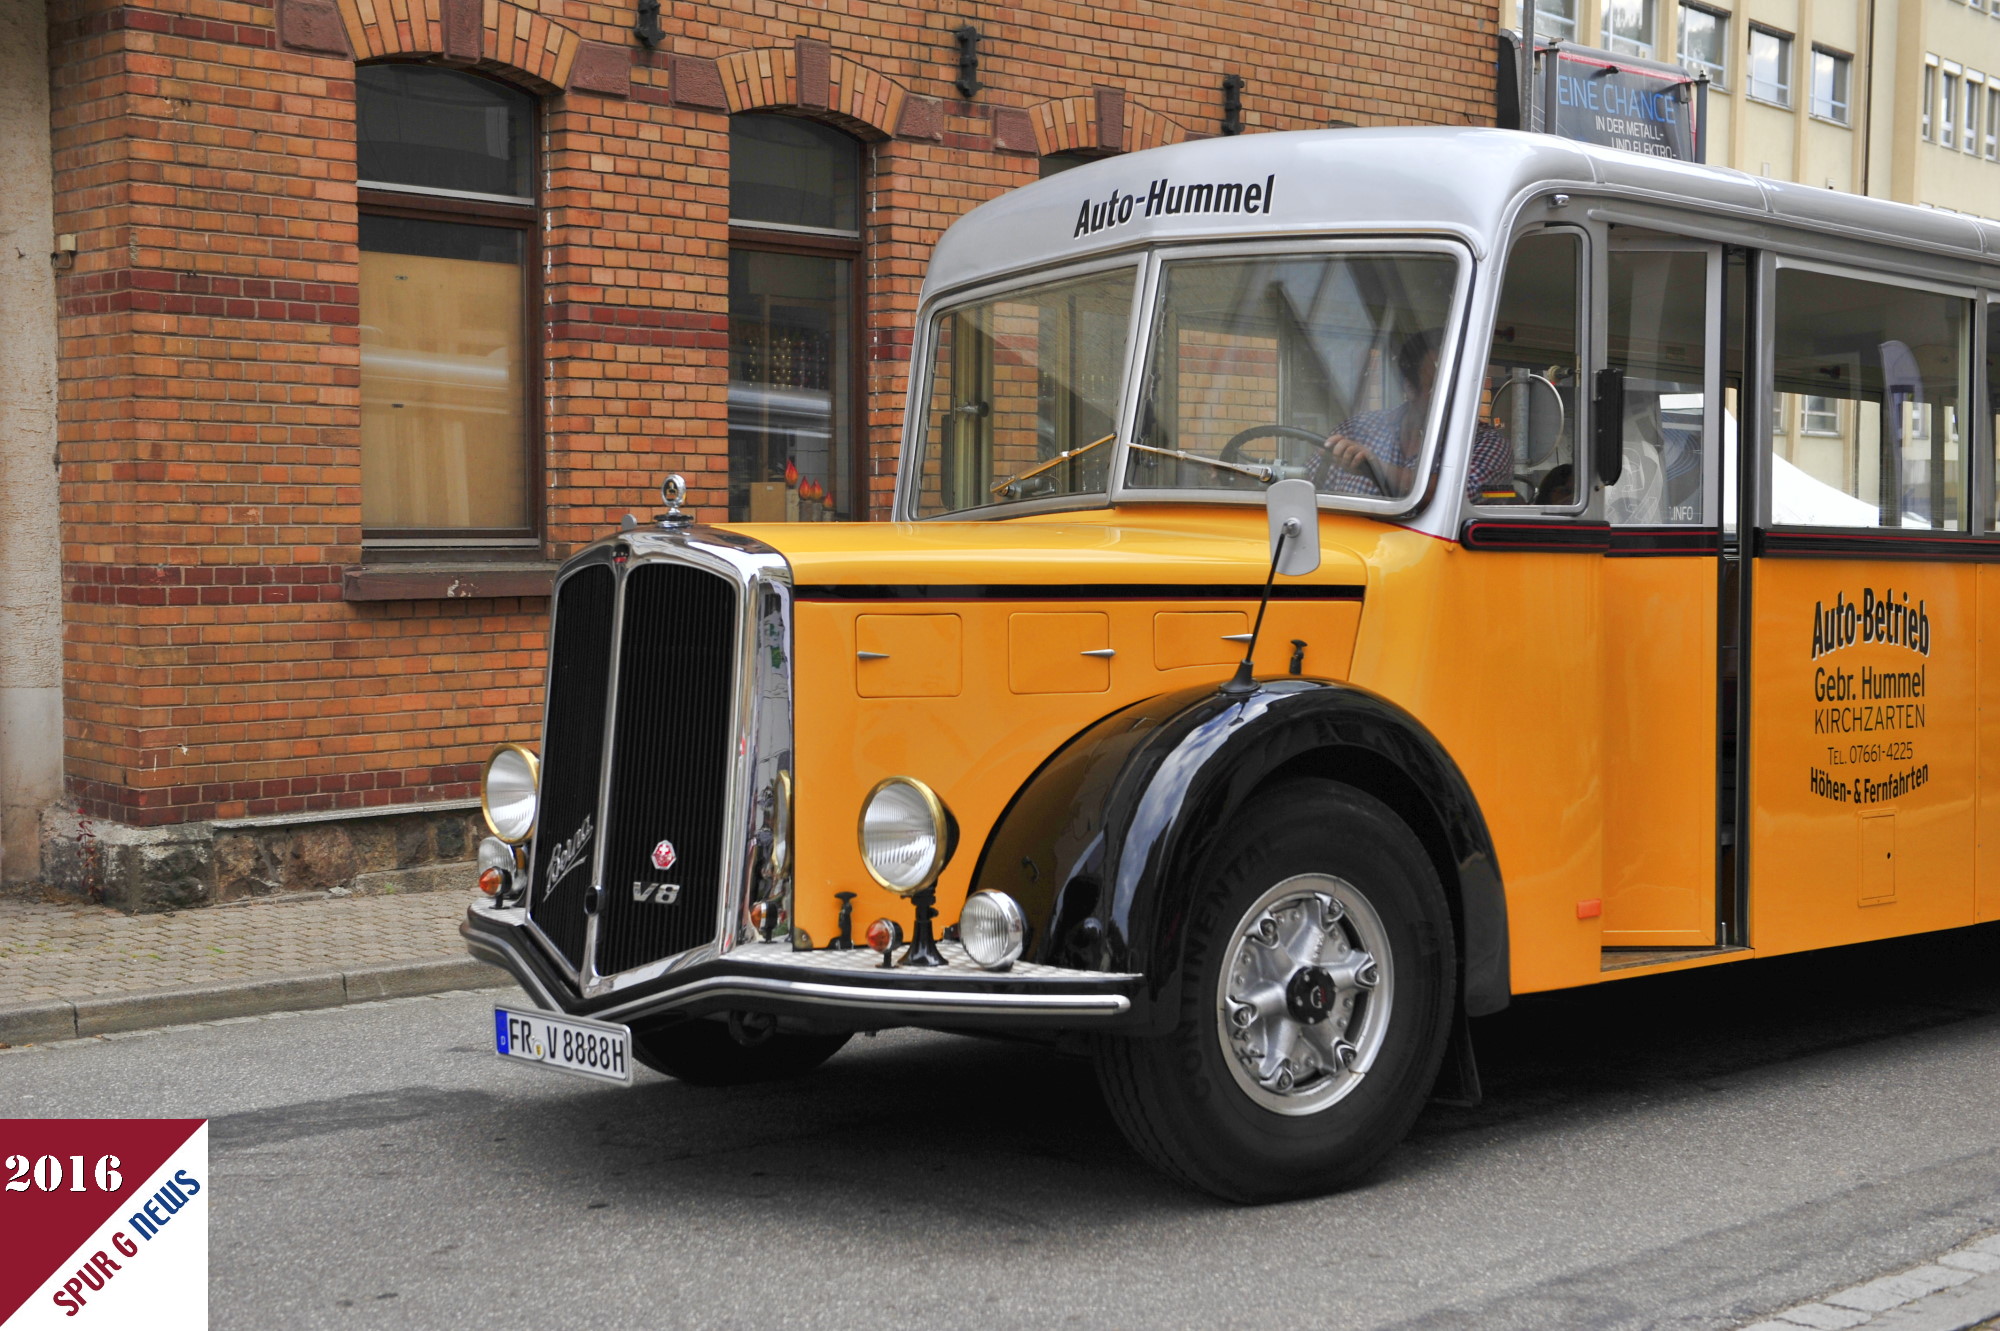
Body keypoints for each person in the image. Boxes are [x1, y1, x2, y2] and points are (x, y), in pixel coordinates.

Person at [1310, 331, 1512, 501]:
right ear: (1409, 387)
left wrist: (1375, 467)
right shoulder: (1357, 430)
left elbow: (1452, 496)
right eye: (1438, 390)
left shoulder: (1487, 444)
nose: (1455, 399)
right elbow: (1308, 488)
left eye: (1462, 388)